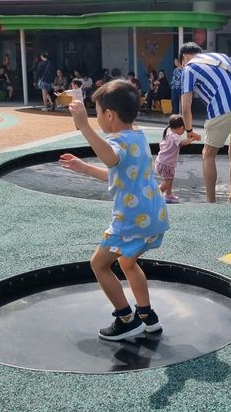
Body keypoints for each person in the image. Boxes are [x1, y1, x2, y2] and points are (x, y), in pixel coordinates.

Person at [60, 80, 170, 341]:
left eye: (97, 113)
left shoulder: (118, 141)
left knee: (98, 265)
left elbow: (111, 157)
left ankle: (126, 319)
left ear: (109, 115)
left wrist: (84, 126)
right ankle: (147, 316)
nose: (96, 118)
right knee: (127, 262)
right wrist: (85, 168)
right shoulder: (138, 136)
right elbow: (121, 173)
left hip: (131, 218)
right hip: (154, 214)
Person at [179, 42, 231, 203]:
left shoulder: (189, 68)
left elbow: (185, 109)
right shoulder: (222, 57)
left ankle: (210, 202)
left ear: (183, 58)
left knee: (208, 154)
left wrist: (189, 130)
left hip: (223, 108)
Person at [155, 114, 201, 203]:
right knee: (167, 182)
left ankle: (168, 195)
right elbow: (183, 143)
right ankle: (154, 194)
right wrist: (193, 138)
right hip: (166, 164)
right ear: (180, 128)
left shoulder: (169, 133)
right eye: (184, 129)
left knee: (169, 179)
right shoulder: (175, 137)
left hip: (162, 162)